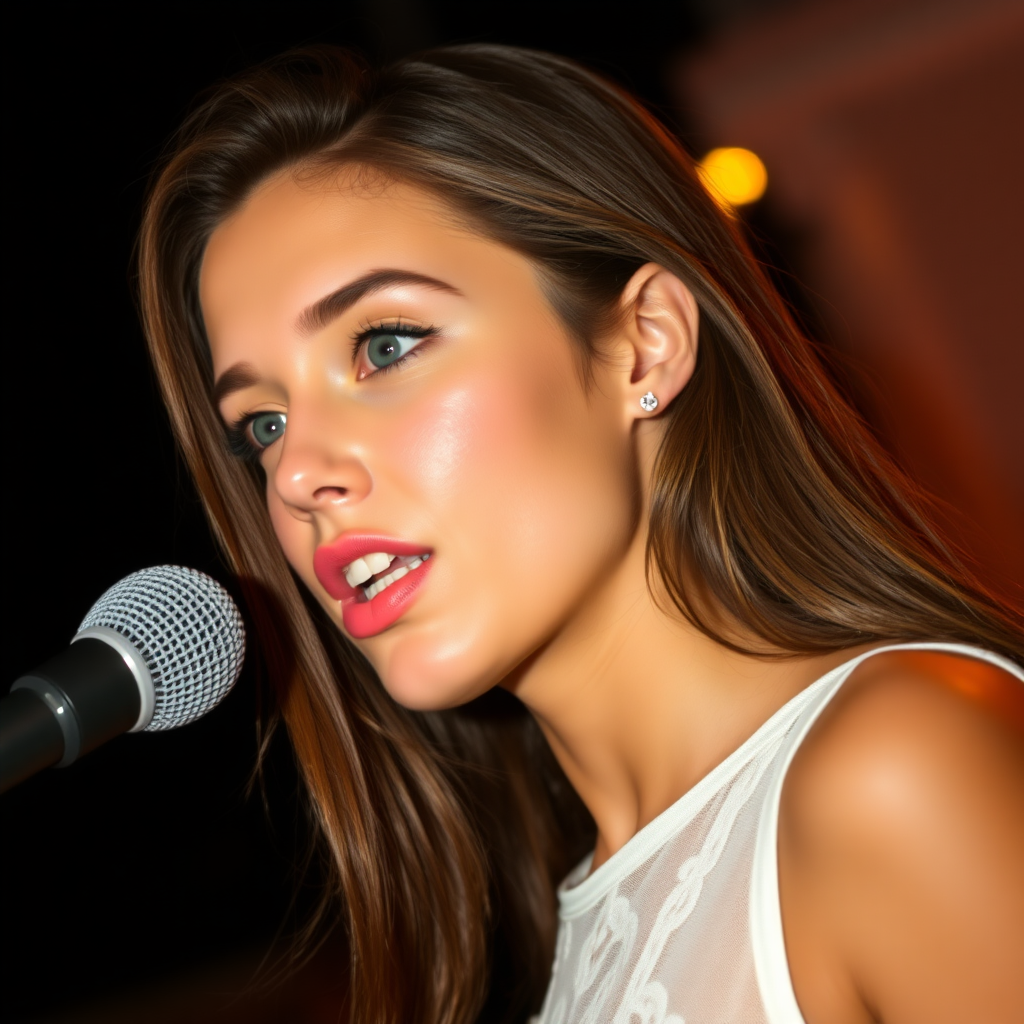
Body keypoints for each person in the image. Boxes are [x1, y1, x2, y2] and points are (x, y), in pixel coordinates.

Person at [137, 45, 1024, 1024]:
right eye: (261, 424)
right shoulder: (578, 926)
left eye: (384, 345)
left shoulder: (893, 773)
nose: (298, 473)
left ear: (644, 341)